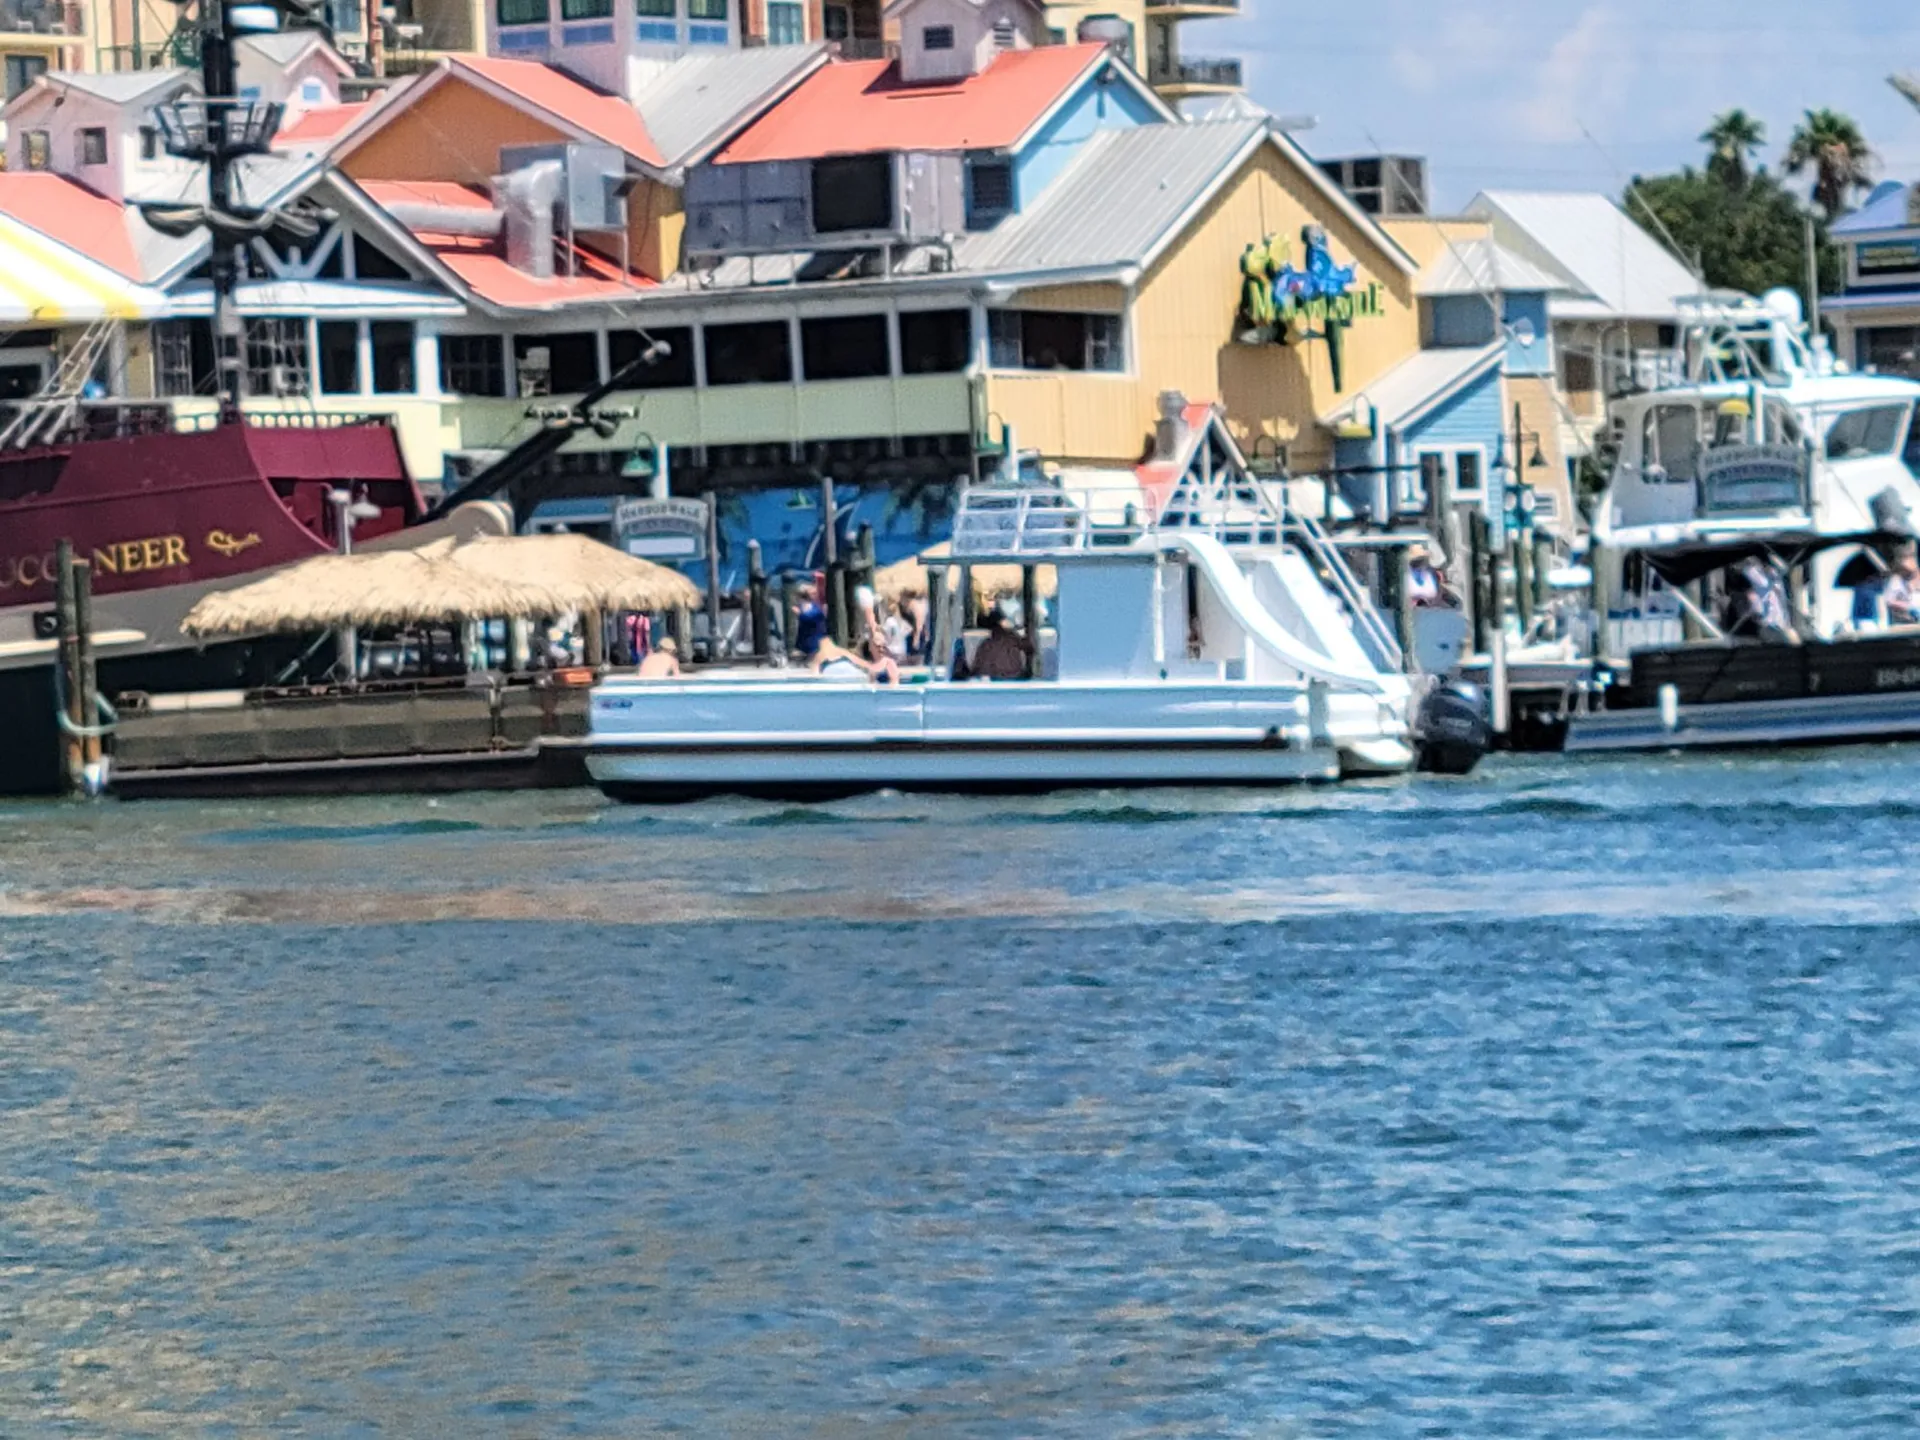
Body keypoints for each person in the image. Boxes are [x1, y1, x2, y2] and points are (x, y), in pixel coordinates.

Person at [969, 608, 1032, 680]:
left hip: (993, 679)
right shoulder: (1014, 639)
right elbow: (1030, 649)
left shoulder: (986, 644)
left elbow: (977, 668)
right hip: (1013, 677)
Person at [811, 637, 898, 685]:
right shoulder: (841, 651)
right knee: (867, 679)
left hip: (832, 672)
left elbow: (815, 676)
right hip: (848, 669)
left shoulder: (818, 657)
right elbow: (861, 663)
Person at [792, 581, 828, 660]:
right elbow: (808, 618)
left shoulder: (815, 605)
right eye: (813, 593)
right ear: (806, 595)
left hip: (818, 638)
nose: (816, 595)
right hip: (809, 640)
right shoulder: (801, 607)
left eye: (815, 593)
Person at [1887, 544, 1920, 626]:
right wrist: (1907, 607)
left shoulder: (1917, 576)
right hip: (1903, 623)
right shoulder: (1895, 581)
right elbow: (1889, 600)